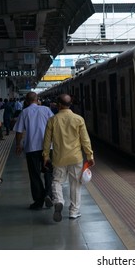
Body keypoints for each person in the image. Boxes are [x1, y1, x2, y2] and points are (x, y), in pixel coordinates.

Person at [43, 94, 95, 222]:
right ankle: (74, 211)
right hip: (75, 157)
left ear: (58, 104)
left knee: (57, 181)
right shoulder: (78, 119)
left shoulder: (52, 120)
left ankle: (59, 200)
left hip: (59, 157)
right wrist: (90, 155)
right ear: (70, 104)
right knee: (75, 184)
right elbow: (85, 140)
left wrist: (45, 156)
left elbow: (46, 140)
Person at [13, 92, 54, 210]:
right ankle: (48, 194)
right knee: (48, 172)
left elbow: (19, 131)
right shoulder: (46, 110)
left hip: (31, 148)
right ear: (37, 99)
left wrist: (18, 145)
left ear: (26, 101)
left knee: (34, 174)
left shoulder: (24, 112)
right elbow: (53, 125)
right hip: (47, 147)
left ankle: (38, 201)